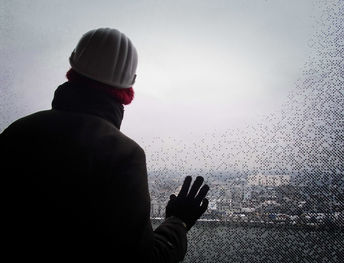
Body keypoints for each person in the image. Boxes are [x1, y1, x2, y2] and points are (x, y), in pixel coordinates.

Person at [0, 28, 209, 262]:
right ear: (128, 89)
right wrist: (178, 221)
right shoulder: (123, 155)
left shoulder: (16, 133)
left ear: (73, 70)